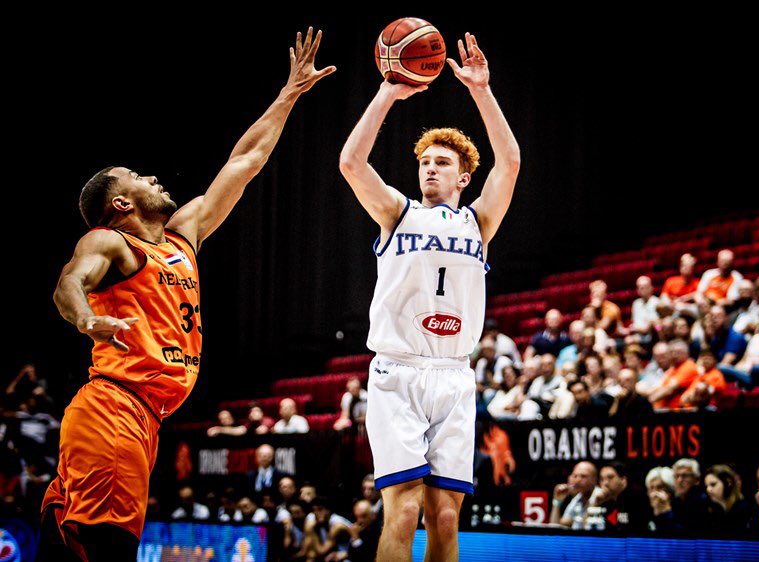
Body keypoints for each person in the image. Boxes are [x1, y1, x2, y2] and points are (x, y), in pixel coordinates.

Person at [37, 28, 334, 562]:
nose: (152, 176)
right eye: (137, 176)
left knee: (67, 552)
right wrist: (87, 321)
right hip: (113, 410)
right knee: (107, 551)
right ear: (122, 203)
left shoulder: (183, 235)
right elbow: (69, 283)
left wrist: (289, 93)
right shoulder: (112, 243)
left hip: (142, 419)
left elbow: (246, 160)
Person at [338, 32, 519, 562]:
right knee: (404, 510)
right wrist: (388, 93)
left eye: (442, 163)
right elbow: (352, 163)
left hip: (455, 374)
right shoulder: (397, 212)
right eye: (425, 163)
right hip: (398, 372)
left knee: (444, 516)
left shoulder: (478, 221)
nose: (430, 169)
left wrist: (482, 91)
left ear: (464, 176)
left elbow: (509, 164)